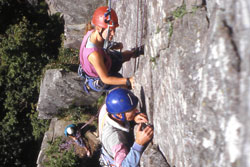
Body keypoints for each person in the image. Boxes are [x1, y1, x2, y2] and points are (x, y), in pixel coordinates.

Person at [78, 6, 143, 93]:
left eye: (114, 30)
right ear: (98, 29)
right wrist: (128, 80)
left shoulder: (93, 33)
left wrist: (113, 45)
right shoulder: (94, 55)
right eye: (110, 31)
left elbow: (101, 43)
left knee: (124, 56)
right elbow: (105, 79)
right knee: (123, 85)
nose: (113, 33)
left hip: (104, 59)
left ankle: (134, 52)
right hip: (99, 78)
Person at [98, 88, 154, 167]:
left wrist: (132, 118)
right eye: (132, 110)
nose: (137, 111)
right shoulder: (116, 138)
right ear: (119, 115)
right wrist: (139, 144)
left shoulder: (106, 109)